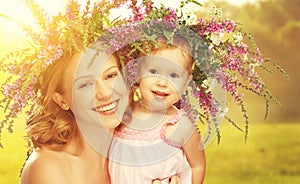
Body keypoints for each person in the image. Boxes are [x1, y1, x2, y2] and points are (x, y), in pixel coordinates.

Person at [109, 35, 206, 184]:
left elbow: (198, 165)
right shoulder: (123, 113)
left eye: (174, 75)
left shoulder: (180, 126)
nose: (162, 82)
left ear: (186, 82)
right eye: (153, 71)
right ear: (139, 73)